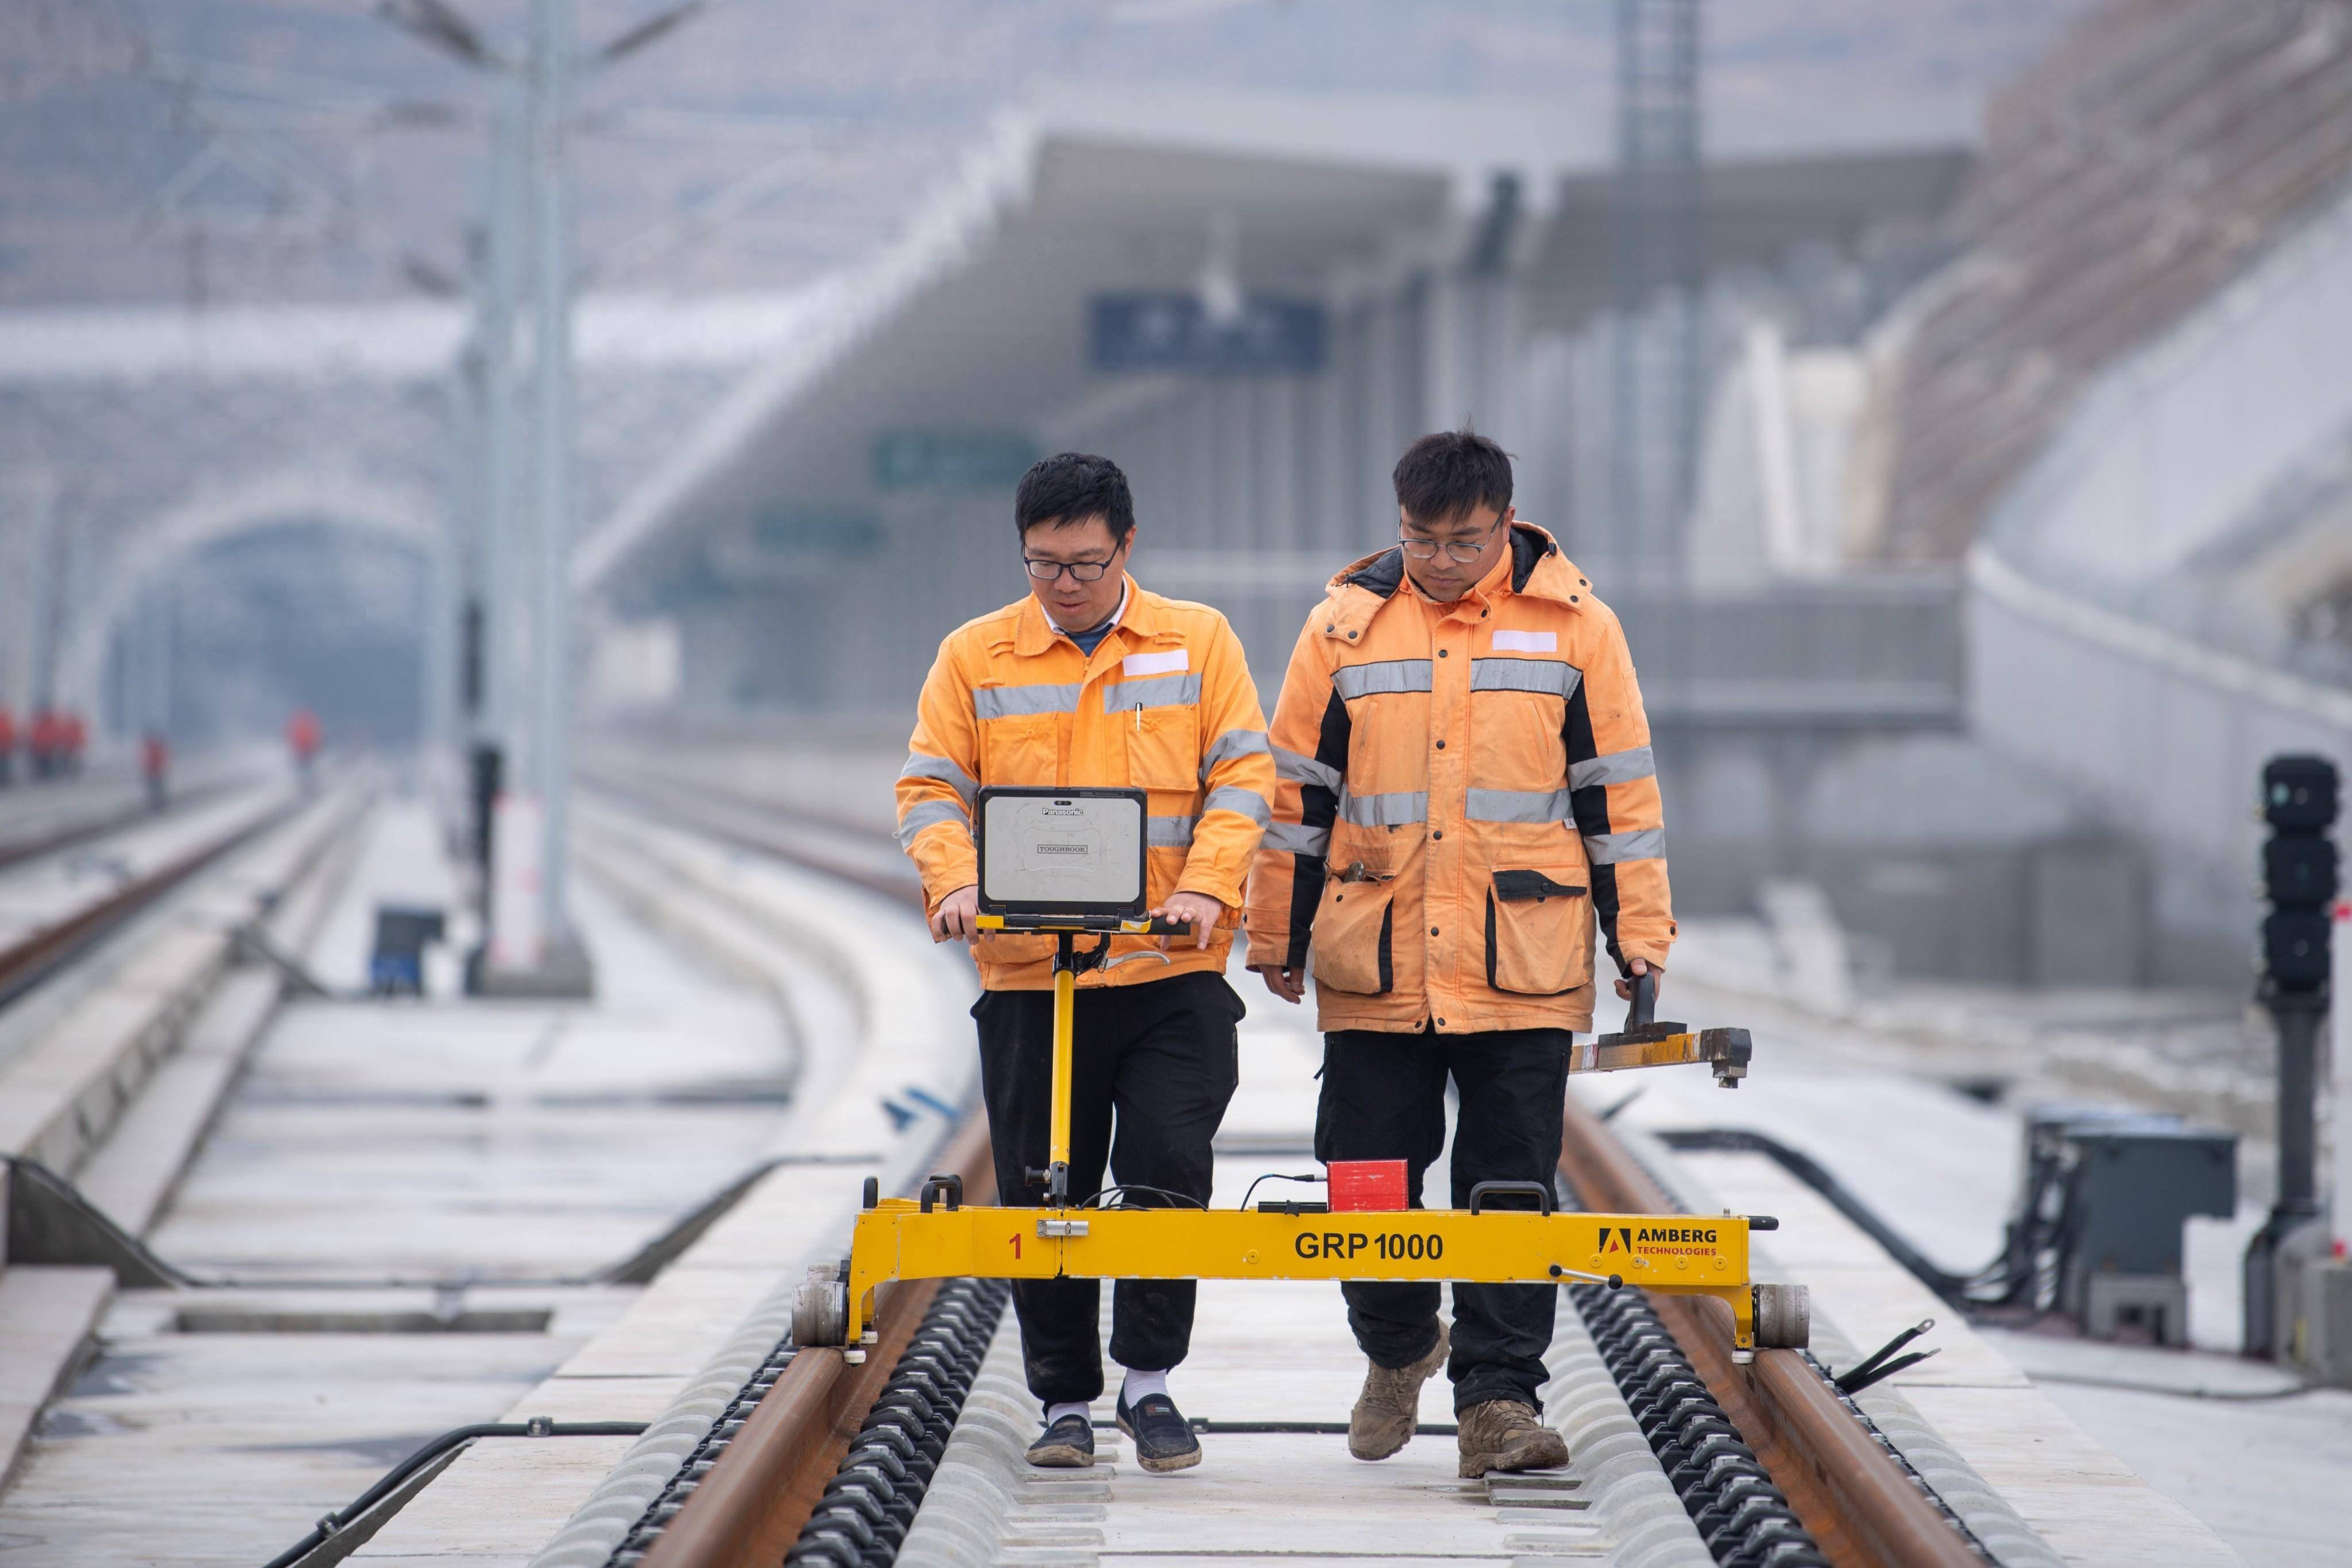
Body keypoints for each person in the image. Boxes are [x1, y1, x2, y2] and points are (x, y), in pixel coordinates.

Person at [1245, 429, 1675, 1480]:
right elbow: (1297, 796)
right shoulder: (1341, 627)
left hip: (1522, 959)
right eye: (1421, 539)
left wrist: (1639, 936)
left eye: (1464, 542)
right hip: (1377, 955)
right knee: (1363, 1179)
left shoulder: (1578, 628)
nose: (1441, 561)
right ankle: (1399, 1347)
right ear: (1398, 524)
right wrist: (1276, 932)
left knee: (1509, 1191)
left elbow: (1618, 797)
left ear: (1507, 523)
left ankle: (1497, 1402)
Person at [896, 452, 1275, 1476]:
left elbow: (1244, 775)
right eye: (1043, 564)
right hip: (1033, 977)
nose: (1063, 584)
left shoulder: (1198, 642)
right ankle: (1064, 1400)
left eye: (1085, 563)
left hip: (1167, 971)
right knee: (1042, 1188)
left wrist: (1209, 887)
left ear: (1127, 546)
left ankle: (1149, 1385)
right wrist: (954, 882)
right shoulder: (975, 657)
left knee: (1166, 1167)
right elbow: (930, 789)